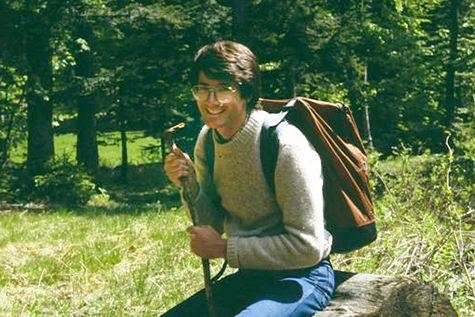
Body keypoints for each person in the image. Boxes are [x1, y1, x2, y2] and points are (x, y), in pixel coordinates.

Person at [162, 40, 335, 317]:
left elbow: (308, 247)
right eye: (202, 89)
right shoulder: (207, 140)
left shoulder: (283, 144)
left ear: (245, 93)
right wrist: (191, 186)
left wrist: (223, 249)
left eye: (223, 89)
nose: (211, 100)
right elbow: (212, 224)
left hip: (302, 277)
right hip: (250, 276)